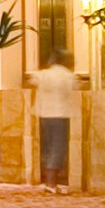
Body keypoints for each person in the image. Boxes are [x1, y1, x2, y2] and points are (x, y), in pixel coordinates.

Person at [31, 53, 81, 189]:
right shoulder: (68, 75)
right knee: (58, 148)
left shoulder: (43, 74)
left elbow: (32, 81)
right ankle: (52, 183)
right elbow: (76, 87)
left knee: (47, 147)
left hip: (44, 115)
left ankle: (48, 181)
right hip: (61, 115)